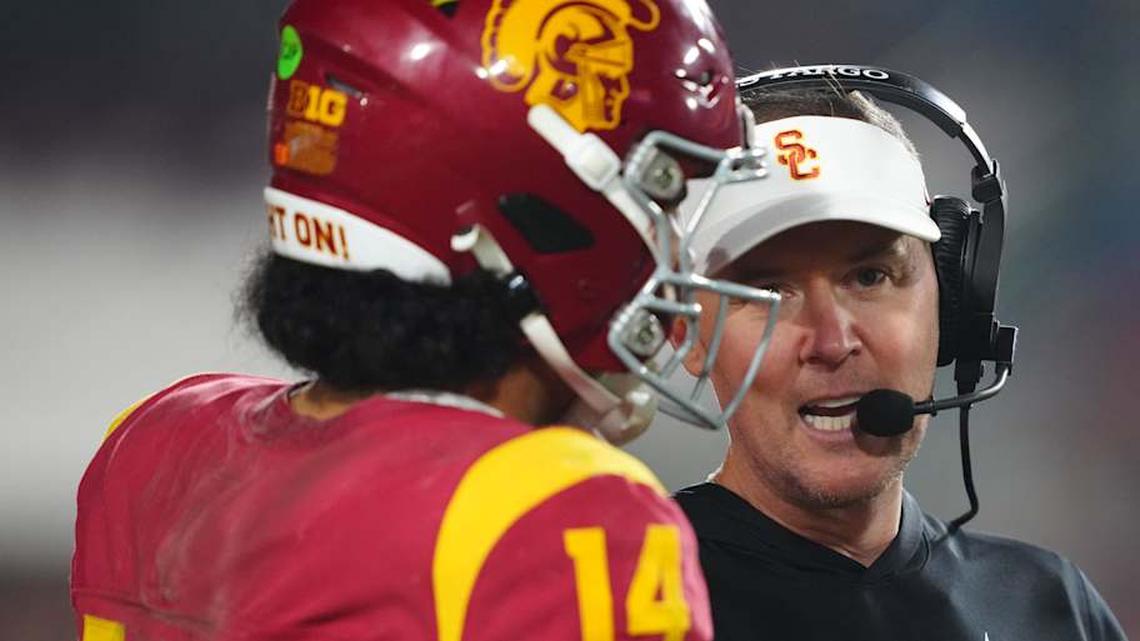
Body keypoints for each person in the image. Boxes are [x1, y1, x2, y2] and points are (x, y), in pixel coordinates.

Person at [68, 1, 779, 640]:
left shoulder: (150, 443)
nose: (678, 255)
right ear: (536, 207)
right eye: (660, 194)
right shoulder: (560, 515)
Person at [672, 67, 1128, 640]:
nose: (832, 341)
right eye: (769, 291)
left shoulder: (1049, 606)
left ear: (954, 302)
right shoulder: (607, 603)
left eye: (869, 276)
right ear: (684, 330)